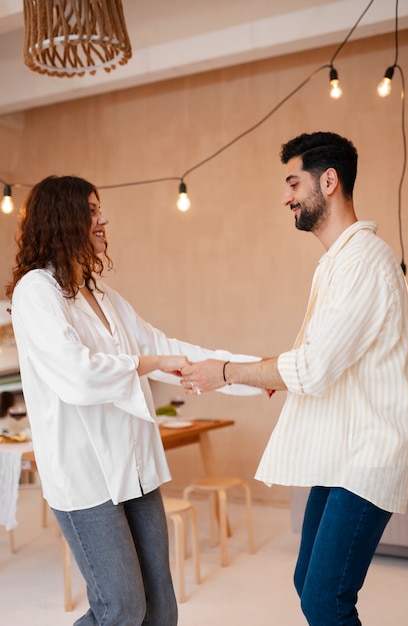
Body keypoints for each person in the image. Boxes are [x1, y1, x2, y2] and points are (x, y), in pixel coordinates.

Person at [180, 131, 408, 626]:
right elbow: (320, 356)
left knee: (325, 599)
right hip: (340, 453)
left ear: (328, 182)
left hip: (366, 455)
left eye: (293, 183)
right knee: (306, 580)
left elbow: (311, 368)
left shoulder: (364, 262)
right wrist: (274, 370)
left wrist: (223, 374)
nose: (285, 196)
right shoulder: (336, 263)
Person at [5, 175, 258, 626]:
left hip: (136, 469)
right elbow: (78, 376)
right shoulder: (35, 292)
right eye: (92, 210)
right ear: (64, 220)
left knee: (160, 609)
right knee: (121, 609)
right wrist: (145, 362)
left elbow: (172, 351)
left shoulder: (104, 296)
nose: (103, 219)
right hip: (85, 479)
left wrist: (251, 374)